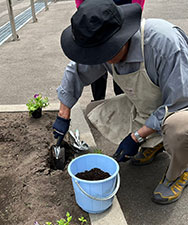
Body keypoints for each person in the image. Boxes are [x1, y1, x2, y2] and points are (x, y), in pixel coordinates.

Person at [53, 0, 188, 204]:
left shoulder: (164, 43)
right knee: (96, 110)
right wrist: (63, 114)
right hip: (152, 105)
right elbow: (76, 71)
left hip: (181, 105)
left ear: (121, 37)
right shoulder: (103, 44)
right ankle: (156, 142)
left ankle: (180, 171)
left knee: (177, 128)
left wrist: (136, 137)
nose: (98, 59)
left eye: (102, 53)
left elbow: (179, 101)